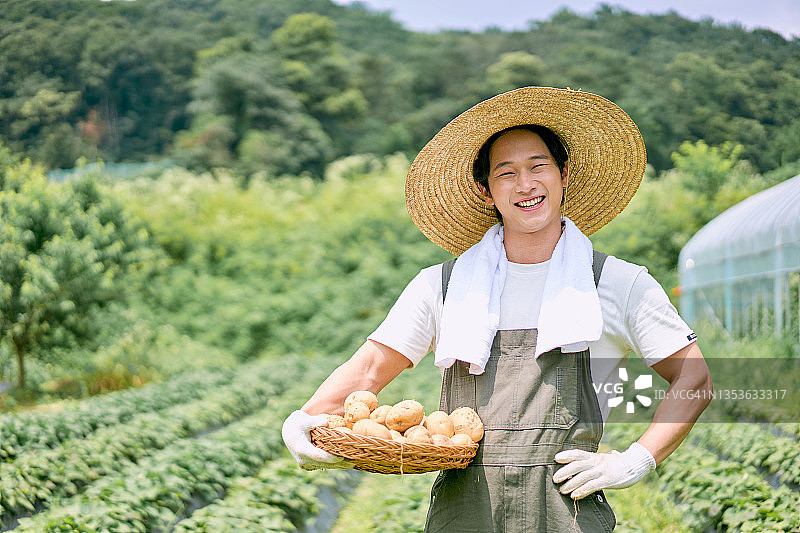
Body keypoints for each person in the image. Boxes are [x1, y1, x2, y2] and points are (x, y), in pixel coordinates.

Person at [282, 86, 712, 532]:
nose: (525, 184)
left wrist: (637, 459)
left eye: (538, 166)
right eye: (506, 173)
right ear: (486, 191)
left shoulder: (617, 282)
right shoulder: (444, 286)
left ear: (564, 175)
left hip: (566, 513)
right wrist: (305, 419)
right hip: (464, 515)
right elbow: (370, 368)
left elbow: (693, 377)